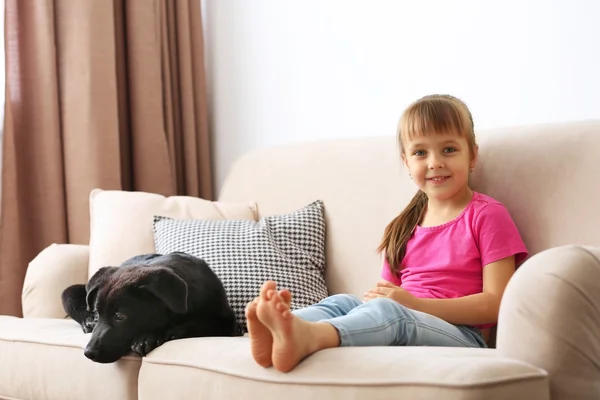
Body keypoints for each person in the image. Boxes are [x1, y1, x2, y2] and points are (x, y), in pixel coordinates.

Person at [245, 94, 529, 373]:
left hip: (463, 337)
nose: (434, 162)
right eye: (421, 152)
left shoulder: (487, 215)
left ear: (472, 155)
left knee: (390, 314)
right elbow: (385, 294)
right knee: (343, 302)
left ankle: (310, 337)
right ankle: (282, 327)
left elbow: (496, 302)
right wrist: (383, 303)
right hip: (406, 317)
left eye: (449, 150)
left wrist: (415, 305)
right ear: (407, 162)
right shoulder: (404, 226)